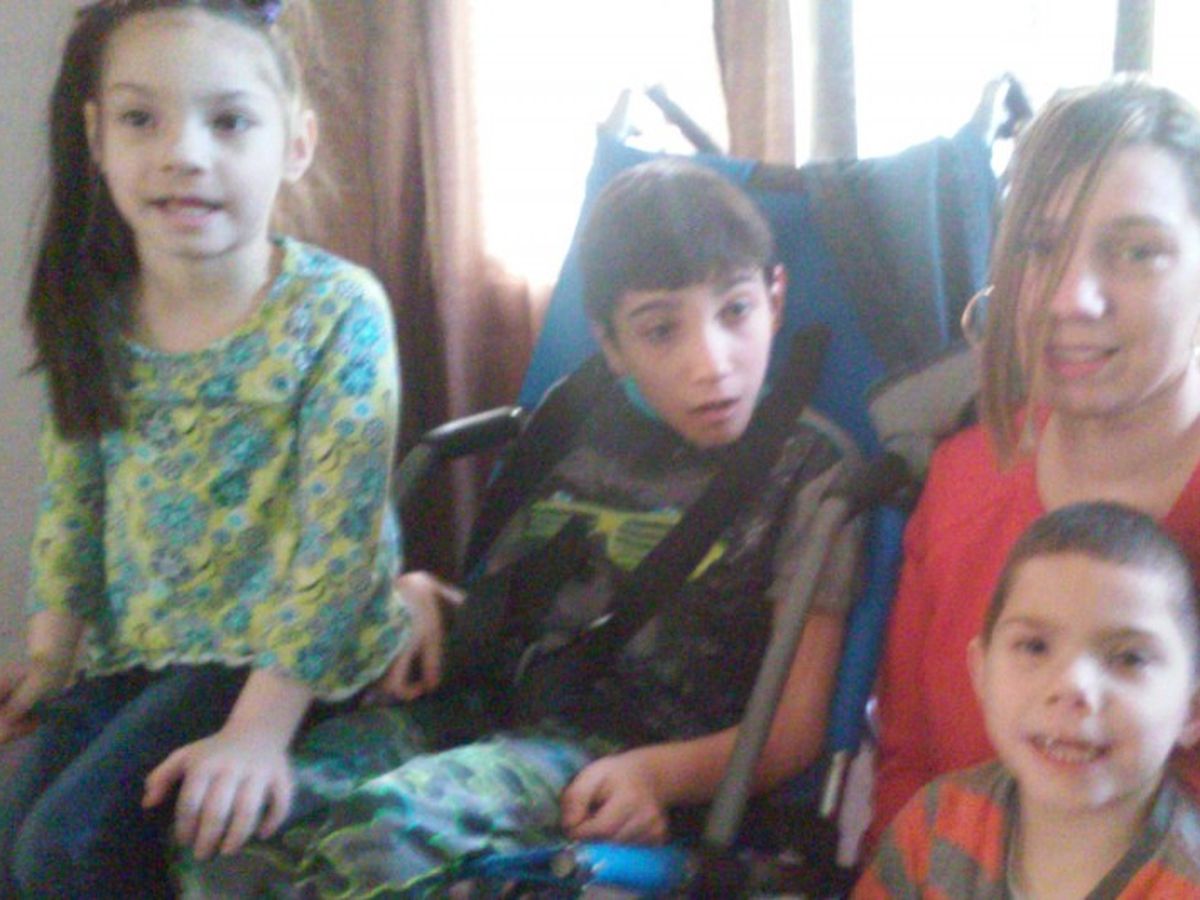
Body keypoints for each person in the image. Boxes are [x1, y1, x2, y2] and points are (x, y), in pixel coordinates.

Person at [182, 158, 863, 897]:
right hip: (478, 706)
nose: (713, 364)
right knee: (233, 816)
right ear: (612, 345)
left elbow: (793, 732)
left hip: (617, 755)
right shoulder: (574, 420)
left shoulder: (810, 472)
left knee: (381, 834)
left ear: (775, 298)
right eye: (662, 330)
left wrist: (655, 776)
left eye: (735, 311)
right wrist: (429, 596)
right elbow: (525, 606)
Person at [0, 1, 407, 896]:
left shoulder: (337, 312)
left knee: (64, 853)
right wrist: (51, 659)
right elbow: (74, 504)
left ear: (295, 143)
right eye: (141, 119)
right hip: (136, 653)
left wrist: (259, 731)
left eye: (228, 122)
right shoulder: (97, 315)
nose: (184, 153)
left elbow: (338, 547)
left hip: (285, 659)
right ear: (96, 138)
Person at [868, 77, 1200, 851]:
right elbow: (908, 771)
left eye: (1137, 251)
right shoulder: (962, 477)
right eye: (1041, 247)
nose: (1070, 299)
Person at [856, 501, 1200, 897]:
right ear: (981, 673)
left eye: (1129, 658)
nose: (1073, 686)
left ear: (1191, 710)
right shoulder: (932, 826)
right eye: (1035, 647)